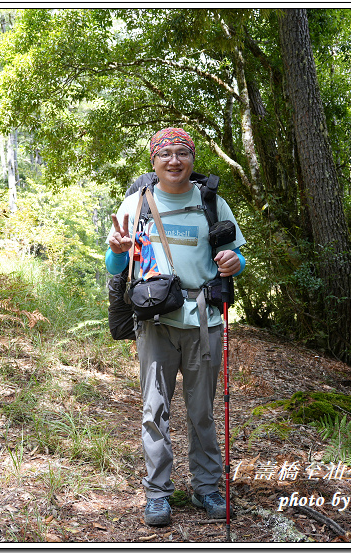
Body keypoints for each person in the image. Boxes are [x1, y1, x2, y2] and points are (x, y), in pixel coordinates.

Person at [105, 127, 246, 527]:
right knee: (155, 411)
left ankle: (206, 488)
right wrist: (117, 250)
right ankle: (157, 495)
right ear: (153, 161)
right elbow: (115, 265)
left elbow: (235, 256)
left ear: (192, 159)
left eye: (182, 152)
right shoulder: (137, 202)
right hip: (155, 322)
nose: (174, 160)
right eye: (164, 153)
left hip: (205, 320)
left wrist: (236, 263)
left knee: (202, 411)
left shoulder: (213, 203)